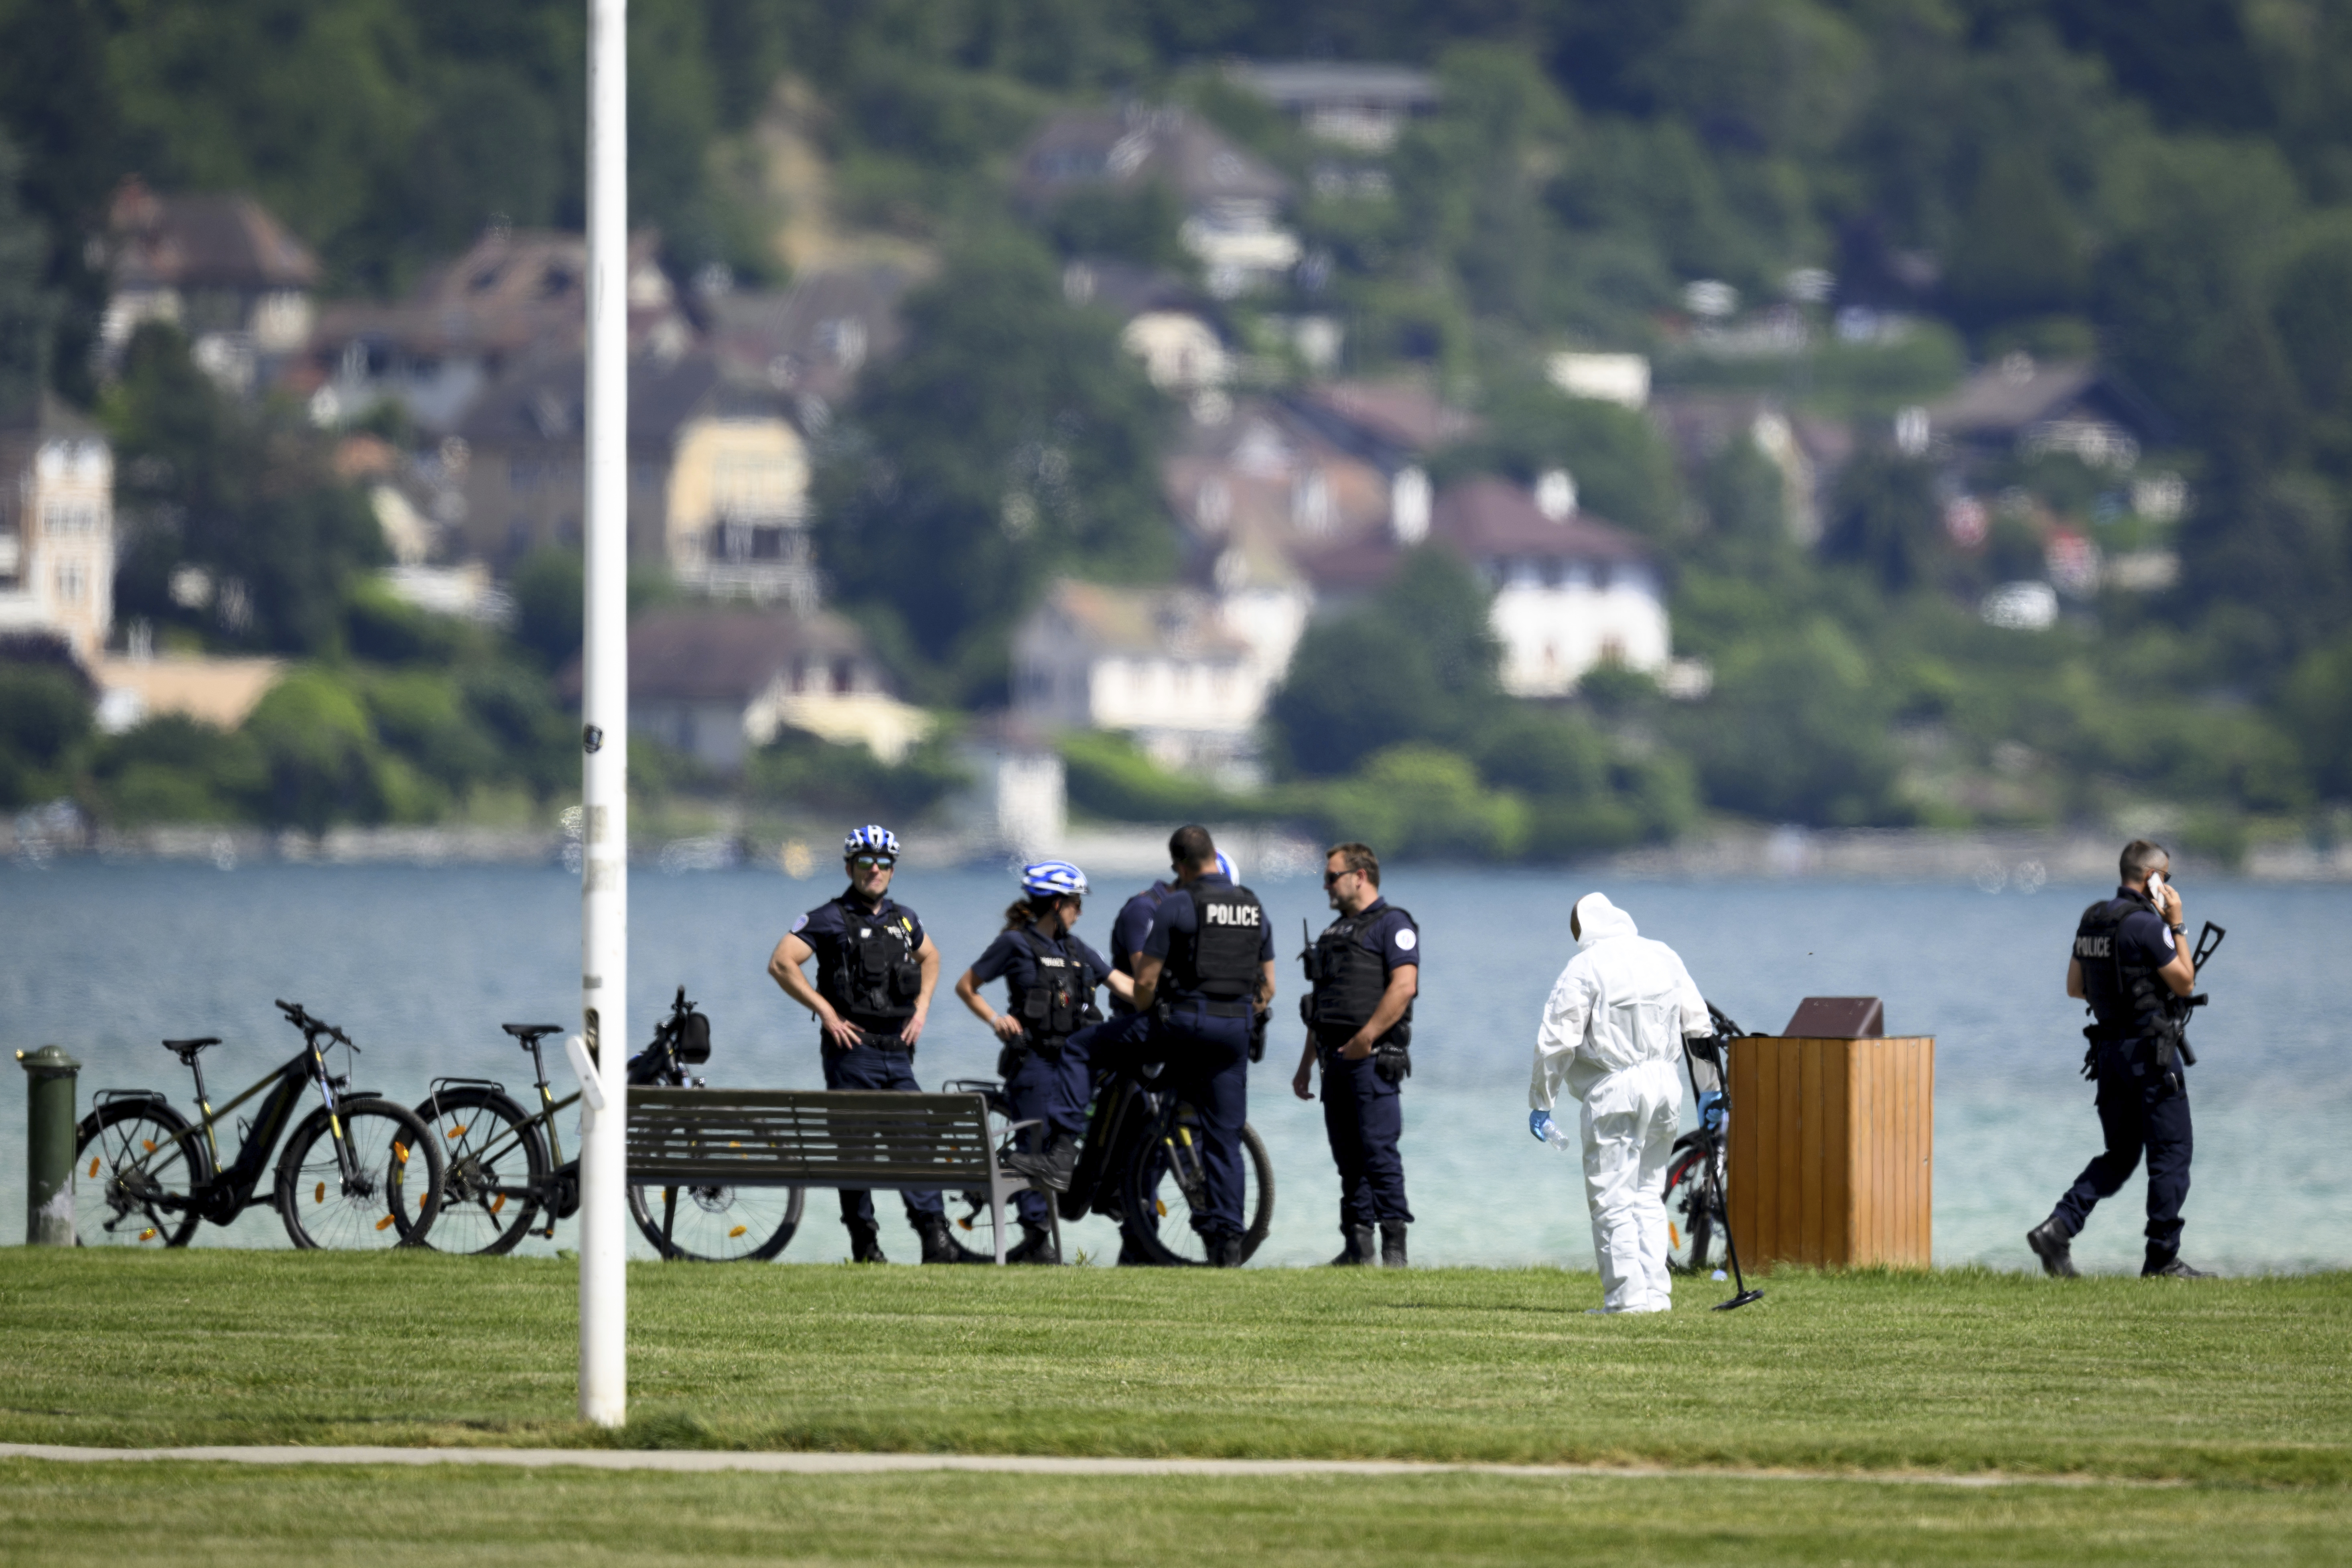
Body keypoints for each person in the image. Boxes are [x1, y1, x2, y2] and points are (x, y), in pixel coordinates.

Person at [766, 824, 979, 1265]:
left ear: (892, 871)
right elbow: (782, 963)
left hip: (898, 1052)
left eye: (883, 863)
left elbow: (932, 957)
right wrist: (826, 1012)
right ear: (850, 868)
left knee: (916, 1144)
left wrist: (921, 1010)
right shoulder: (828, 917)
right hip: (852, 1051)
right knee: (855, 1150)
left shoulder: (906, 919)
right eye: (865, 862)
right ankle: (865, 1245)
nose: (875, 869)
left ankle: (934, 1241)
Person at [2027, 840, 2209, 1280]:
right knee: (2171, 1152)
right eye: (2165, 878)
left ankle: (2059, 1226)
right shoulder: (2147, 925)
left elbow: (2075, 987)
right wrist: (2178, 925)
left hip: (2110, 1056)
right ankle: (2162, 1259)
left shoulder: (2093, 918)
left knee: (2121, 1153)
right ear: (2152, 877)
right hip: (2150, 1056)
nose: (2167, 886)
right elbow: (2184, 983)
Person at [1527, 892, 1714, 1314]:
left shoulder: (1585, 966)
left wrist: (1542, 1100)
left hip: (1613, 1089)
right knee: (1648, 1193)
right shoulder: (1663, 955)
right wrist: (1711, 1089)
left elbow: (1555, 1041)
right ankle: (1655, 1297)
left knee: (1611, 1197)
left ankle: (1625, 1301)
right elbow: (1698, 1026)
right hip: (1666, 1085)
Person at [951, 860, 1131, 1263]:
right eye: (1075, 903)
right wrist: (996, 1019)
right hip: (1033, 1061)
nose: (1079, 911)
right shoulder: (1014, 944)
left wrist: (1166, 997)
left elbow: (1123, 984)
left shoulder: (1077, 948)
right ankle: (1035, 1242)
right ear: (1055, 904)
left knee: (1072, 1139)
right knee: (1036, 1145)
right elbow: (967, 986)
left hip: (1075, 1064)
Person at [1130, 826, 1275, 1267]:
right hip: (1235, 1032)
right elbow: (1268, 986)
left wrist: (1146, 1013)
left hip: (1187, 1027)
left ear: (1179, 865)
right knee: (1224, 1138)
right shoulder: (1252, 905)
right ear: (1214, 855)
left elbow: (1146, 982)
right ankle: (1228, 1241)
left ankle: (1062, 1149)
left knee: (1087, 1048)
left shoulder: (1178, 902)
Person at [1291, 842, 1419, 1268]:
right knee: (1347, 1158)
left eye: (1332, 877)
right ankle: (1357, 1248)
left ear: (1359, 876)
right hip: (1333, 1060)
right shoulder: (1332, 934)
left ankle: (1394, 1252)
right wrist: (1306, 1065)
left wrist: (1366, 1037)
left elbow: (1403, 987)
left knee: (1378, 1152)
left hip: (1372, 1057)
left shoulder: (1392, 923)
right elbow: (1322, 1003)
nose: (1326, 886)